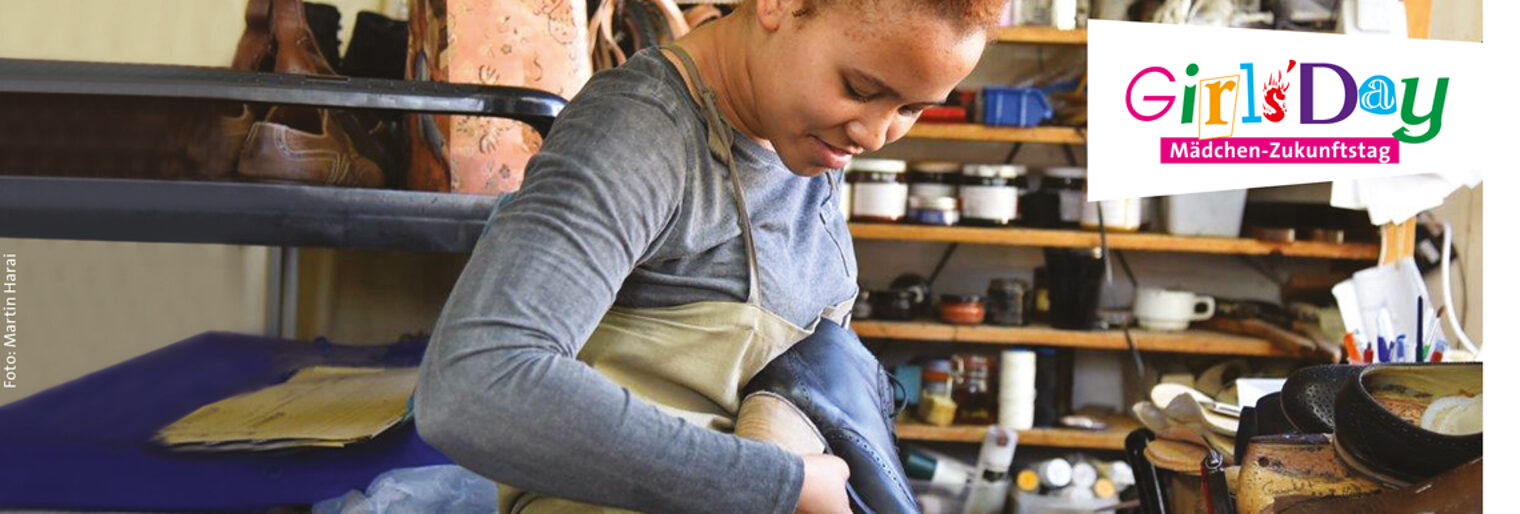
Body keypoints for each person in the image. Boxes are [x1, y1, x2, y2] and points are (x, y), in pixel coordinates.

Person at [414, 0, 999, 511]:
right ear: (780, 6)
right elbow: (475, 385)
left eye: (911, 108)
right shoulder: (640, 135)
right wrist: (781, 486)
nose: (873, 134)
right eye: (862, 89)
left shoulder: (804, 135)